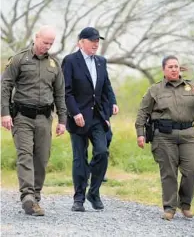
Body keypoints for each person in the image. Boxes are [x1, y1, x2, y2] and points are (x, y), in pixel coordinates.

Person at [1, 25, 66, 216]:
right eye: (45, 42)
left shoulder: (54, 65)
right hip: (22, 117)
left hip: (45, 118)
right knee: (25, 155)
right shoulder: (20, 59)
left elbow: (60, 94)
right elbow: (5, 86)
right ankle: (28, 196)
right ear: (36, 38)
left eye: (51, 43)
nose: (47, 46)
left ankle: (35, 196)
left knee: (42, 158)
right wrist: (4, 113)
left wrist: (62, 120)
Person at [135, 55, 194, 220]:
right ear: (164, 70)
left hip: (188, 135)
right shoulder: (155, 89)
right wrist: (140, 133)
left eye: (176, 66)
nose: (174, 69)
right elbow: (143, 112)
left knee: (192, 170)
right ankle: (169, 208)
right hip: (164, 136)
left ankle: (185, 204)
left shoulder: (191, 87)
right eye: (170, 67)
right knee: (169, 172)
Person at [62, 27, 113, 212]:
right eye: (92, 40)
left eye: (97, 41)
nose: (96, 44)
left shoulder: (101, 61)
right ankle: (79, 198)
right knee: (79, 159)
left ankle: (94, 191)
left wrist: (109, 110)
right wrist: (75, 113)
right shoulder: (70, 61)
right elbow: (65, 91)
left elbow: (106, 88)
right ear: (81, 42)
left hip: (98, 117)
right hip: (78, 118)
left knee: (102, 152)